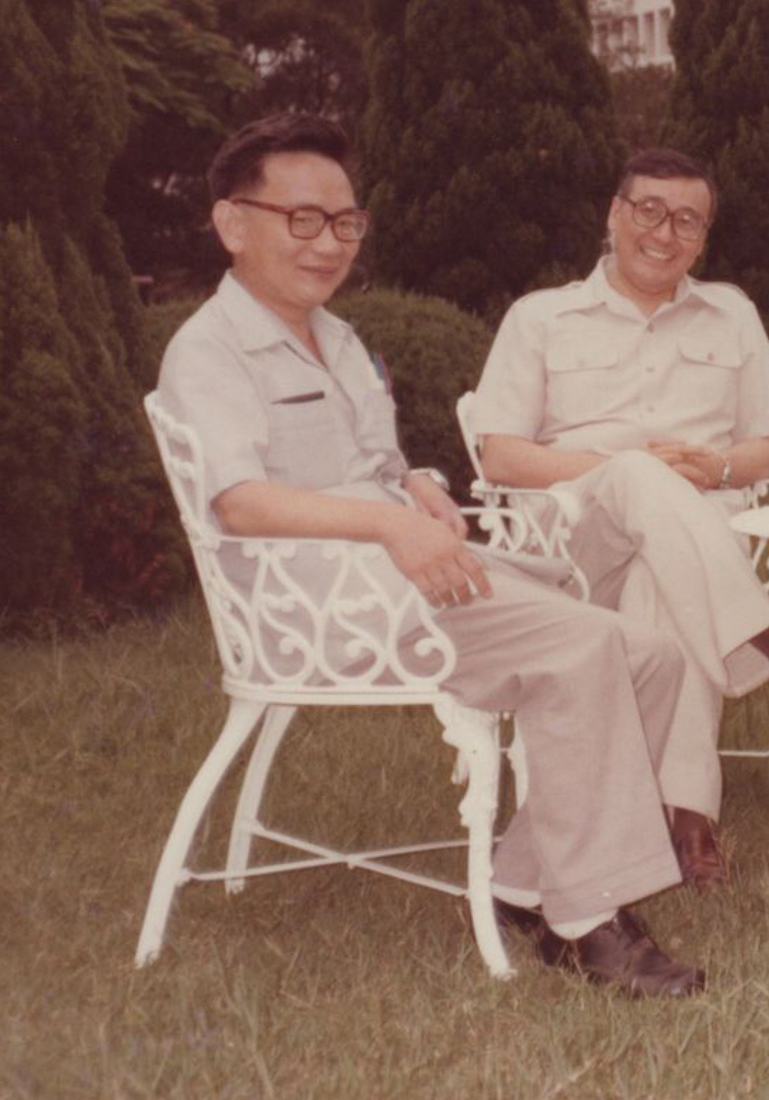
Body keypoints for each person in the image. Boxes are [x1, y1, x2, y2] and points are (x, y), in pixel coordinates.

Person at [156, 114, 703, 997]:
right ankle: (587, 921)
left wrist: (409, 485)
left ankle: (527, 879)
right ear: (231, 223)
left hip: (399, 576)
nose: (326, 242)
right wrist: (385, 527)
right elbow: (241, 500)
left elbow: (368, 466)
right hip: (322, 605)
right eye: (300, 219)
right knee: (587, 645)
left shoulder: (334, 338)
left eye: (342, 222)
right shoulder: (212, 349)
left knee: (651, 652)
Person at [468, 147, 769, 888]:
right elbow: (500, 456)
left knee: (668, 575)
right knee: (634, 471)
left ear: (704, 237)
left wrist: (717, 469)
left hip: (695, 535)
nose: (664, 233)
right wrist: (624, 472)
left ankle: (688, 825)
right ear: (614, 215)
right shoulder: (542, 317)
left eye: (687, 221)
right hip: (574, 543)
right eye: (649, 211)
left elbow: (761, 450)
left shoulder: (733, 313)